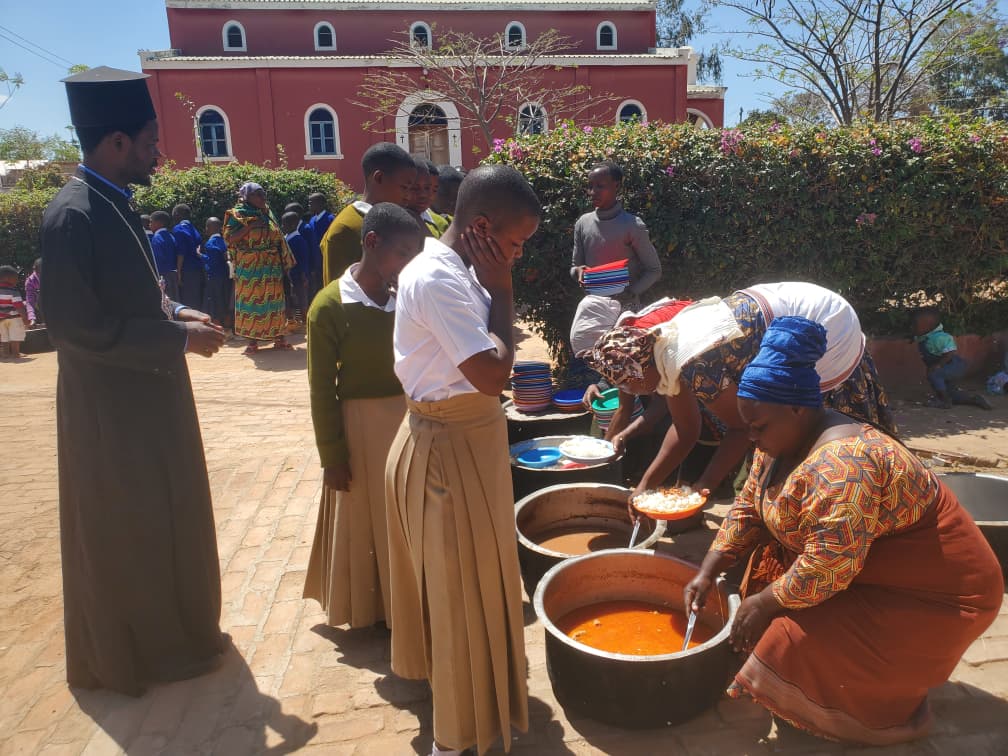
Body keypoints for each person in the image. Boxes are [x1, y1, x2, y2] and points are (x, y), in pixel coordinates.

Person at [684, 316, 1003, 745]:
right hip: (871, 570)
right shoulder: (776, 439)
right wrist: (708, 568)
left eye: (757, 429)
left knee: (789, 639)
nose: (752, 440)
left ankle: (876, 718)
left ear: (798, 409)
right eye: (747, 429)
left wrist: (764, 603)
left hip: (940, 593)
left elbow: (828, 565)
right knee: (769, 594)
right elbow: (749, 508)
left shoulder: (845, 467)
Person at [39, 66, 226, 695]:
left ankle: (183, 639)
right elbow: (75, 326)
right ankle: (135, 657)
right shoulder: (72, 216)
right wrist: (177, 339)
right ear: (115, 142)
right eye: (149, 142)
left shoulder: (114, 203)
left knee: (171, 517)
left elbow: (136, 296)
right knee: (130, 529)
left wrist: (178, 312)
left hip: (150, 395)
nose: (157, 153)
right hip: (111, 412)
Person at [386, 165, 541, 756]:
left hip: (465, 446)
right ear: (481, 227)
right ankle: (456, 737)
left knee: (480, 589)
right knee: (457, 602)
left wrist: (496, 282)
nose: (517, 256)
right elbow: (492, 375)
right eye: (515, 243)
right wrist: (502, 289)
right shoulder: (441, 280)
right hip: (448, 458)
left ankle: (483, 698)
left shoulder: (459, 269)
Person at [583, 281, 897, 497]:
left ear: (642, 370)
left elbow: (738, 428)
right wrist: (645, 487)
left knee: (801, 429)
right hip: (786, 303)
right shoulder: (661, 354)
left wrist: (703, 485)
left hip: (824, 321)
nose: (633, 392)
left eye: (630, 384)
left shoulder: (694, 361)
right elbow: (685, 429)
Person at [303, 203, 425, 629]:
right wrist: (332, 455)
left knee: (402, 518)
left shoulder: (404, 300)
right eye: (403, 254)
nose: (409, 265)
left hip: (406, 423)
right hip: (360, 432)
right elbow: (321, 389)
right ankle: (370, 608)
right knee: (365, 520)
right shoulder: (329, 306)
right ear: (372, 244)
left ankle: (405, 606)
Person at [320, 143, 417, 284]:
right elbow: (338, 296)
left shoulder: (395, 222)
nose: (408, 196)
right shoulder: (346, 229)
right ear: (379, 178)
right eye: (404, 187)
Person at [570, 161, 661, 307]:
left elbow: (654, 270)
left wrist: (630, 293)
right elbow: (575, 267)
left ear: (616, 186)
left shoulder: (632, 225)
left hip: (625, 310)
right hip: (593, 308)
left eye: (600, 186)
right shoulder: (583, 223)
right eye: (590, 186)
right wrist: (578, 272)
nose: (593, 192)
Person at [223, 181, 296, 355]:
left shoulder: (267, 213)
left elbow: (278, 236)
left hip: (271, 266)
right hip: (249, 267)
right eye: (258, 194)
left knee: (275, 301)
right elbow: (229, 239)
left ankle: (279, 338)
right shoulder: (237, 214)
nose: (263, 197)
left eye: (264, 194)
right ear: (247, 197)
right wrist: (250, 227)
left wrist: (285, 261)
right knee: (251, 303)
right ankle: (252, 342)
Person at [911, 306, 992, 410]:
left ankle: (944, 401)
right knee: (951, 392)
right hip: (948, 367)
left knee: (934, 374)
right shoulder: (924, 335)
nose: (912, 328)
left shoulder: (940, 337)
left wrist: (939, 365)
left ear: (928, 326)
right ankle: (974, 399)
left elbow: (950, 353)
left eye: (915, 325)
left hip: (953, 365)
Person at [200, 216, 230, 328]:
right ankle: (228, 327)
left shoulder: (210, 243)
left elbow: (211, 262)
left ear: (210, 228)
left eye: (207, 227)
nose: (206, 229)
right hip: (225, 276)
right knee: (224, 300)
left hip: (214, 277)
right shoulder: (224, 241)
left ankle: (218, 328)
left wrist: (200, 255)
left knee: (215, 302)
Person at [282, 210, 311, 327]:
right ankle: (293, 322)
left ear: (293, 225)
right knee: (290, 298)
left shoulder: (299, 240)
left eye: (285, 224)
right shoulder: (287, 237)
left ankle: (305, 322)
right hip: (289, 275)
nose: (282, 226)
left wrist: (304, 275)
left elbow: (304, 259)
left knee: (301, 298)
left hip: (298, 275)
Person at [173, 203, 204, 309]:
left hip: (186, 270)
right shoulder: (194, 230)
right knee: (196, 299)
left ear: (177, 214)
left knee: (187, 301)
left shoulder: (178, 229)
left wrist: (179, 272)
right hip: (197, 269)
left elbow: (181, 253)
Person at [307, 192, 334, 301]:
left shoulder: (330, 219)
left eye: (311, 203)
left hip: (325, 258)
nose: (309, 205)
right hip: (315, 259)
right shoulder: (312, 220)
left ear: (320, 203)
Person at [0, 265, 30, 359]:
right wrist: (25, 319)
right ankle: (16, 353)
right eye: (16, 278)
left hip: (1, 319)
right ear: (7, 278)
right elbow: (19, 306)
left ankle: (5, 354)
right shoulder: (13, 290)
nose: (17, 280)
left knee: (4, 337)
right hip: (14, 318)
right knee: (15, 336)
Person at [149, 210, 179, 300]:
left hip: (163, 276)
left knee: (165, 301)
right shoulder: (171, 236)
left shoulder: (157, 238)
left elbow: (157, 259)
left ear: (158, 223)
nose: (149, 224)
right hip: (174, 274)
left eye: (151, 222)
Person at [25, 257, 42, 326]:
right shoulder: (30, 281)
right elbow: (30, 301)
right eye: (40, 273)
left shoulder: (55, 277)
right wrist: (32, 318)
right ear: (35, 270)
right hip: (39, 308)